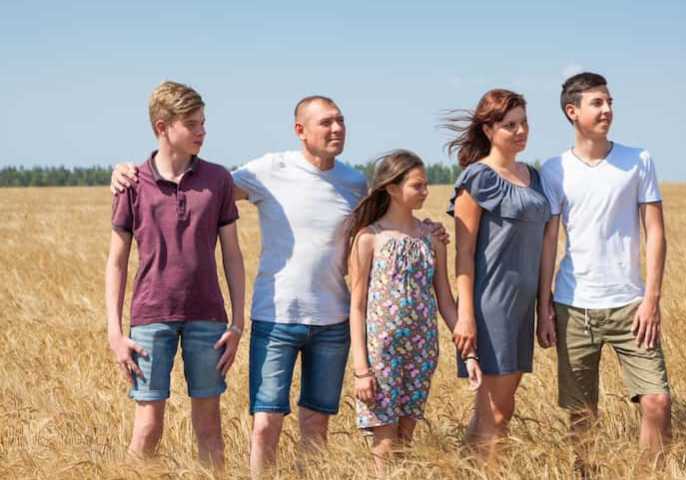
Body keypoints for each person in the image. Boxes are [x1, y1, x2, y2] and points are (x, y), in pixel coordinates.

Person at [110, 95, 448, 477]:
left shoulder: (354, 182)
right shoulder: (270, 169)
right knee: (265, 425)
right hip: (276, 317)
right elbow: (199, 184)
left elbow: (391, 216)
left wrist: (429, 229)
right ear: (300, 131)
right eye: (327, 123)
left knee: (315, 426)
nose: (337, 129)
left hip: (333, 321)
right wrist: (126, 171)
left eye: (340, 121)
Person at [104, 80, 245, 471]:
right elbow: (116, 262)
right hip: (150, 318)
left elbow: (232, 255)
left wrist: (237, 323)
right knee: (147, 428)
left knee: (210, 427)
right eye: (192, 124)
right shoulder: (132, 184)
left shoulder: (218, 180)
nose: (202, 131)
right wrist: (115, 334)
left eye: (203, 122)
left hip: (208, 320)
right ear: (162, 127)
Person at [536, 72, 672, 472]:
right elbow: (549, 241)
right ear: (572, 111)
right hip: (572, 306)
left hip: (631, 305)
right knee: (582, 413)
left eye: (610, 101)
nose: (608, 110)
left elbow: (656, 231)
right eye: (597, 103)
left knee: (657, 401)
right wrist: (544, 305)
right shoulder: (554, 169)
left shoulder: (638, 160)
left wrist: (652, 299)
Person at [346, 150, 482, 474]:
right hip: (383, 352)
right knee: (383, 440)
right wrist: (361, 369)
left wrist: (469, 355)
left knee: (406, 436)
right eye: (417, 186)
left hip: (422, 350)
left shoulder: (432, 238)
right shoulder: (368, 238)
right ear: (393, 188)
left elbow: (445, 300)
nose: (425, 192)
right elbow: (357, 306)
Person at [444, 89, 551, 462]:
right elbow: (465, 254)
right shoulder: (477, 178)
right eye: (510, 125)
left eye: (524, 123)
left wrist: (545, 307)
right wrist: (466, 316)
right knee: (496, 410)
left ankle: (471, 469)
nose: (521, 131)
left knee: (503, 408)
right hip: (492, 306)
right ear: (488, 129)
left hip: (524, 307)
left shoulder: (534, 177)